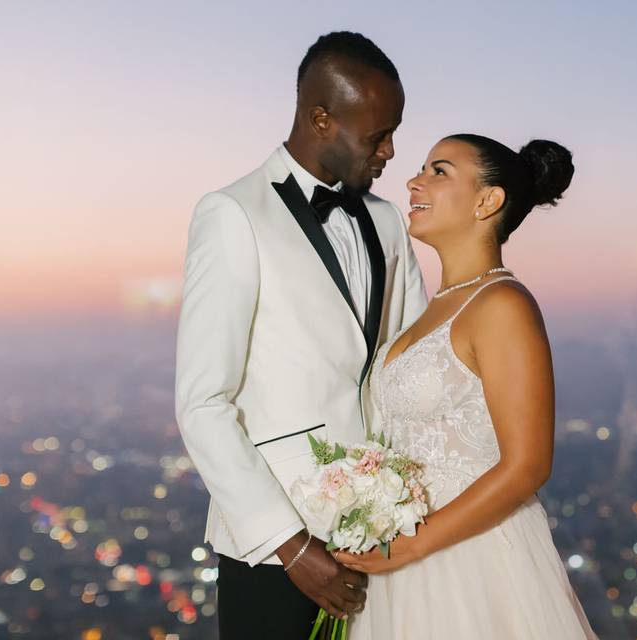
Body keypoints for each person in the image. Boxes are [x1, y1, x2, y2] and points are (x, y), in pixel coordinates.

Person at [173, 32, 427, 638]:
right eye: (377, 135)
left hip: (383, 537)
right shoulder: (232, 215)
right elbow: (203, 403)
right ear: (321, 118)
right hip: (272, 549)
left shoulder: (389, 221)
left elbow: (408, 365)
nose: (391, 150)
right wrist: (289, 546)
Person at [336, 134, 597, 638]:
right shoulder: (430, 309)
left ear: (487, 200)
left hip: (466, 562)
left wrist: (408, 547)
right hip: (397, 566)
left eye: (439, 171)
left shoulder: (503, 305)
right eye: (421, 170)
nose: (414, 181)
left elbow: (527, 466)